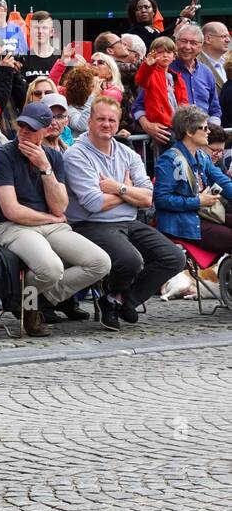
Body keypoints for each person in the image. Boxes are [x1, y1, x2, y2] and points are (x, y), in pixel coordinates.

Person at [0, 101, 110, 337]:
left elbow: (60, 205)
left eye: (30, 129)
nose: (23, 133)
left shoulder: (52, 157)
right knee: (50, 268)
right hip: (11, 226)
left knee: (100, 262)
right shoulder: (3, 155)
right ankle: (30, 306)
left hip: (48, 225)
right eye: (21, 126)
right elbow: (12, 211)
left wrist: (44, 167)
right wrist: (50, 218)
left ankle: (33, 301)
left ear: (45, 130)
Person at [64, 97, 185, 330]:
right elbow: (93, 203)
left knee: (174, 257)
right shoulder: (77, 154)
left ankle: (118, 300)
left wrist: (117, 187)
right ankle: (117, 299)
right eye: (100, 119)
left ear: (119, 123)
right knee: (130, 260)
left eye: (112, 120)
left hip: (128, 222)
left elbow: (148, 198)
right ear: (89, 122)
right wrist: (128, 191)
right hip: (91, 224)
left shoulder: (128, 153)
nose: (106, 124)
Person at [153, 105, 232, 257]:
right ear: (189, 132)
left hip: (204, 215)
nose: (208, 131)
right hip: (183, 223)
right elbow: (161, 200)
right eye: (204, 128)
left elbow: (224, 182)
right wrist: (197, 201)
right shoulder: (168, 160)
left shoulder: (202, 156)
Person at [132, 37, 188, 148]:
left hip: (179, 123)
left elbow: (184, 100)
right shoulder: (151, 73)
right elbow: (141, 80)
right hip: (163, 125)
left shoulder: (177, 77)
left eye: (168, 52)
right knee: (174, 147)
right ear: (152, 55)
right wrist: (148, 66)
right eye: (160, 52)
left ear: (174, 56)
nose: (165, 55)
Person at [170, 23, 221, 126]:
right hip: (175, 134)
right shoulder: (164, 69)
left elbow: (215, 108)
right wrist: (148, 125)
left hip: (203, 135)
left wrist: (212, 127)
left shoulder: (206, 72)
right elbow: (140, 105)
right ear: (176, 42)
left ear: (200, 46)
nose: (187, 47)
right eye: (183, 41)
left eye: (193, 43)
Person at [124, 0, 197, 48]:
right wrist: (181, 18)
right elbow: (158, 44)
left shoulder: (155, 30)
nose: (143, 10)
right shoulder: (134, 32)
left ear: (154, 11)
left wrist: (182, 18)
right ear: (133, 13)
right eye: (138, 8)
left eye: (146, 7)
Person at [62, 66, 100, 139]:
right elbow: (82, 126)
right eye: (93, 86)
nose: (98, 89)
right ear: (82, 89)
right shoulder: (69, 109)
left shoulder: (97, 106)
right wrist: (93, 96)